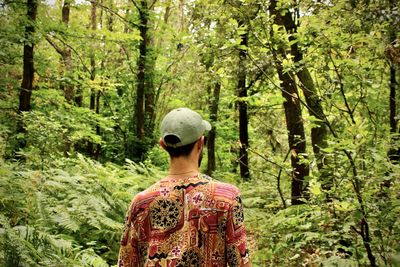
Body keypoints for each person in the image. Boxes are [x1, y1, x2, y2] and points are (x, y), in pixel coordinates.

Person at [118, 107, 251, 267]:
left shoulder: (140, 203)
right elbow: (241, 261)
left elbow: (126, 262)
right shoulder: (227, 197)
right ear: (201, 143)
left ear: (163, 145)